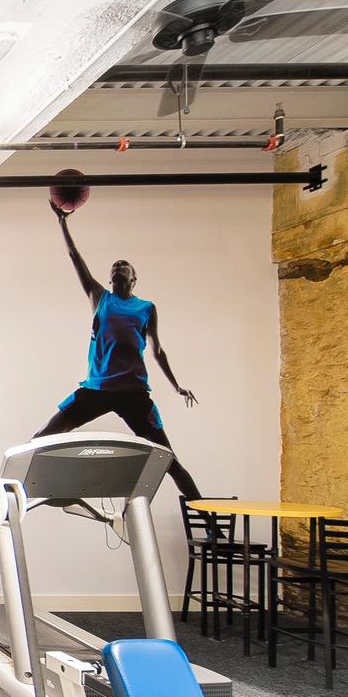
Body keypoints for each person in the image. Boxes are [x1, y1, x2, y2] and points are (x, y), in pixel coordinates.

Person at [34, 201, 205, 501]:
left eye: (123, 266)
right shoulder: (99, 297)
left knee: (168, 460)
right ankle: (13, 497)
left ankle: (211, 520)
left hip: (133, 393)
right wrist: (62, 223)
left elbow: (158, 350)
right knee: (42, 438)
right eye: (113, 267)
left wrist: (177, 386)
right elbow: (75, 258)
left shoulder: (146, 308)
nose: (116, 268)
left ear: (133, 278)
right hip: (97, 388)